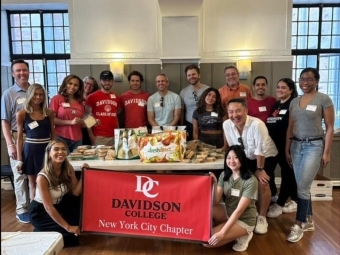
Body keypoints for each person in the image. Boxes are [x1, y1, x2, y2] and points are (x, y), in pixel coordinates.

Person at [285, 68, 334, 243]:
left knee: (303, 186)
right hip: (296, 145)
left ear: (317, 81)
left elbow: (329, 127)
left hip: (314, 145)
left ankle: (299, 223)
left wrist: (326, 152)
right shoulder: (294, 102)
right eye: (302, 79)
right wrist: (287, 148)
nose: (305, 82)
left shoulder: (324, 99)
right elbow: (290, 127)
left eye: (310, 79)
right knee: (302, 185)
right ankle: (310, 220)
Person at [223, 97, 278, 235]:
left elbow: (260, 149)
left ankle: (262, 217)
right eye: (231, 112)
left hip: (266, 156)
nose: (234, 115)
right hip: (246, 156)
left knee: (262, 182)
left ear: (246, 110)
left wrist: (259, 169)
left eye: (238, 111)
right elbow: (233, 146)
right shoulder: (226, 124)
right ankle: (245, 212)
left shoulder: (257, 124)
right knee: (240, 180)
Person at [29, 139, 87, 247]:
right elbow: (48, 207)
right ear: (49, 153)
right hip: (41, 212)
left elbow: (76, 192)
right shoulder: (42, 176)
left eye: (63, 149)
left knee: (78, 227)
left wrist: (84, 174)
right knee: (70, 237)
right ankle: (40, 230)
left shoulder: (68, 168)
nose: (60, 152)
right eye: (56, 149)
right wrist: (68, 227)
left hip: (58, 206)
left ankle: (48, 230)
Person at [205, 145, 258, 252]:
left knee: (206, 242)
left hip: (244, 220)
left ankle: (244, 234)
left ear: (242, 159)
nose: (231, 161)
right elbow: (215, 202)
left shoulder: (251, 180)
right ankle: (231, 231)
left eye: (235, 157)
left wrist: (222, 233)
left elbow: (239, 211)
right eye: (229, 158)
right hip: (228, 212)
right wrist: (215, 183)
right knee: (207, 207)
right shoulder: (224, 175)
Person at [1, 59, 30, 223]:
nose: (21, 73)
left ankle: (35, 206)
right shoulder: (9, 94)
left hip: (35, 137)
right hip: (16, 137)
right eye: (18, 71)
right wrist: (10, 144)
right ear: (13, 73)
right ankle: (22, 209)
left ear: (28, 71)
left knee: (34, 173)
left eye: (24, 70)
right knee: (19, 174)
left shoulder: (35, 91)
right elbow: (4, 121)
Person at [16, 83, 55, 201]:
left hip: (46, 150)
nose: (38, 97)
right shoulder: (22, 114)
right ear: (30, 95)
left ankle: (47, 209)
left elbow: (53, 134)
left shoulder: (49, 113)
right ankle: (35, 211)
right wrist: (19, 160)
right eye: (35, 94)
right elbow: (19, 138)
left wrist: (53, 152)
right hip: (30, 150)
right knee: (32, 183)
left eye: (41, 95)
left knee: (47, 181)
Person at [266, 78, 298, 218]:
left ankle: (281, 203)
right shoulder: (276, 105)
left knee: (287, 174)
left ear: (291, 90)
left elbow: (292, 127)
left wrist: (287, 149)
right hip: (273, 146)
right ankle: (275, 195)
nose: (279, 90)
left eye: (283, 87)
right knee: (267, 171)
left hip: (287, 146)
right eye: (278, 87)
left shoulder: (293, 104)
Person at [247, 76, 278, 200]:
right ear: (253, 87)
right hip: (255, 141)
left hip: (272, 139)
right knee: (259, 169)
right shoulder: (248, 103)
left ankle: (273, 194)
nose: (260, 87)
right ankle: (259, 196)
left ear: (266, 86)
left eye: (263, 84)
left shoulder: (272, 101)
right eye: (258, 85)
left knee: (269, 170)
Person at [85, 70, 121, 146]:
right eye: (104, 80)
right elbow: (87, 117)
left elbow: (115, 115)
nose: (107, 83)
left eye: (109, 80)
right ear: (100, 81)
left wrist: (118, 133)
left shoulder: (117, 97)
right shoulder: (92, 97)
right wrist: (92, 137)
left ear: (113, 81)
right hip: (99, 137)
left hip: (114, 136)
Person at [50, 74, 85, 152]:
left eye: (76, 85)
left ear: (79, 88)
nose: (72, 87)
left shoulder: (80, 102)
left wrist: (93, 123)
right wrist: (71, 122)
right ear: (65, 84)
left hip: (78, 139)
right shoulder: (56, 98)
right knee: (64, 163)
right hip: (61, 137)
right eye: (70, 83)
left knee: (76, 163)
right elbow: (52, 119)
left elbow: (81, 122)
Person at [180, 64, 209, 140]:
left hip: (205, 124)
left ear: (199, 75)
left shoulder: (208, 90)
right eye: (189, 75)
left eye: (193, 74)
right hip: (189, 124)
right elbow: (182, 111)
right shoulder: (183, 92)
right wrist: (182, 126)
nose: (191, 77)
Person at [82, 76, 99, 145]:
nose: (88, 86)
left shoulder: (94, 99)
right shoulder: (76, 97)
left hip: (89, 129)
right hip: (75, 128)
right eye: (87, 83)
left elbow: (90, 116)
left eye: (91, 85)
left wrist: (90, 134)